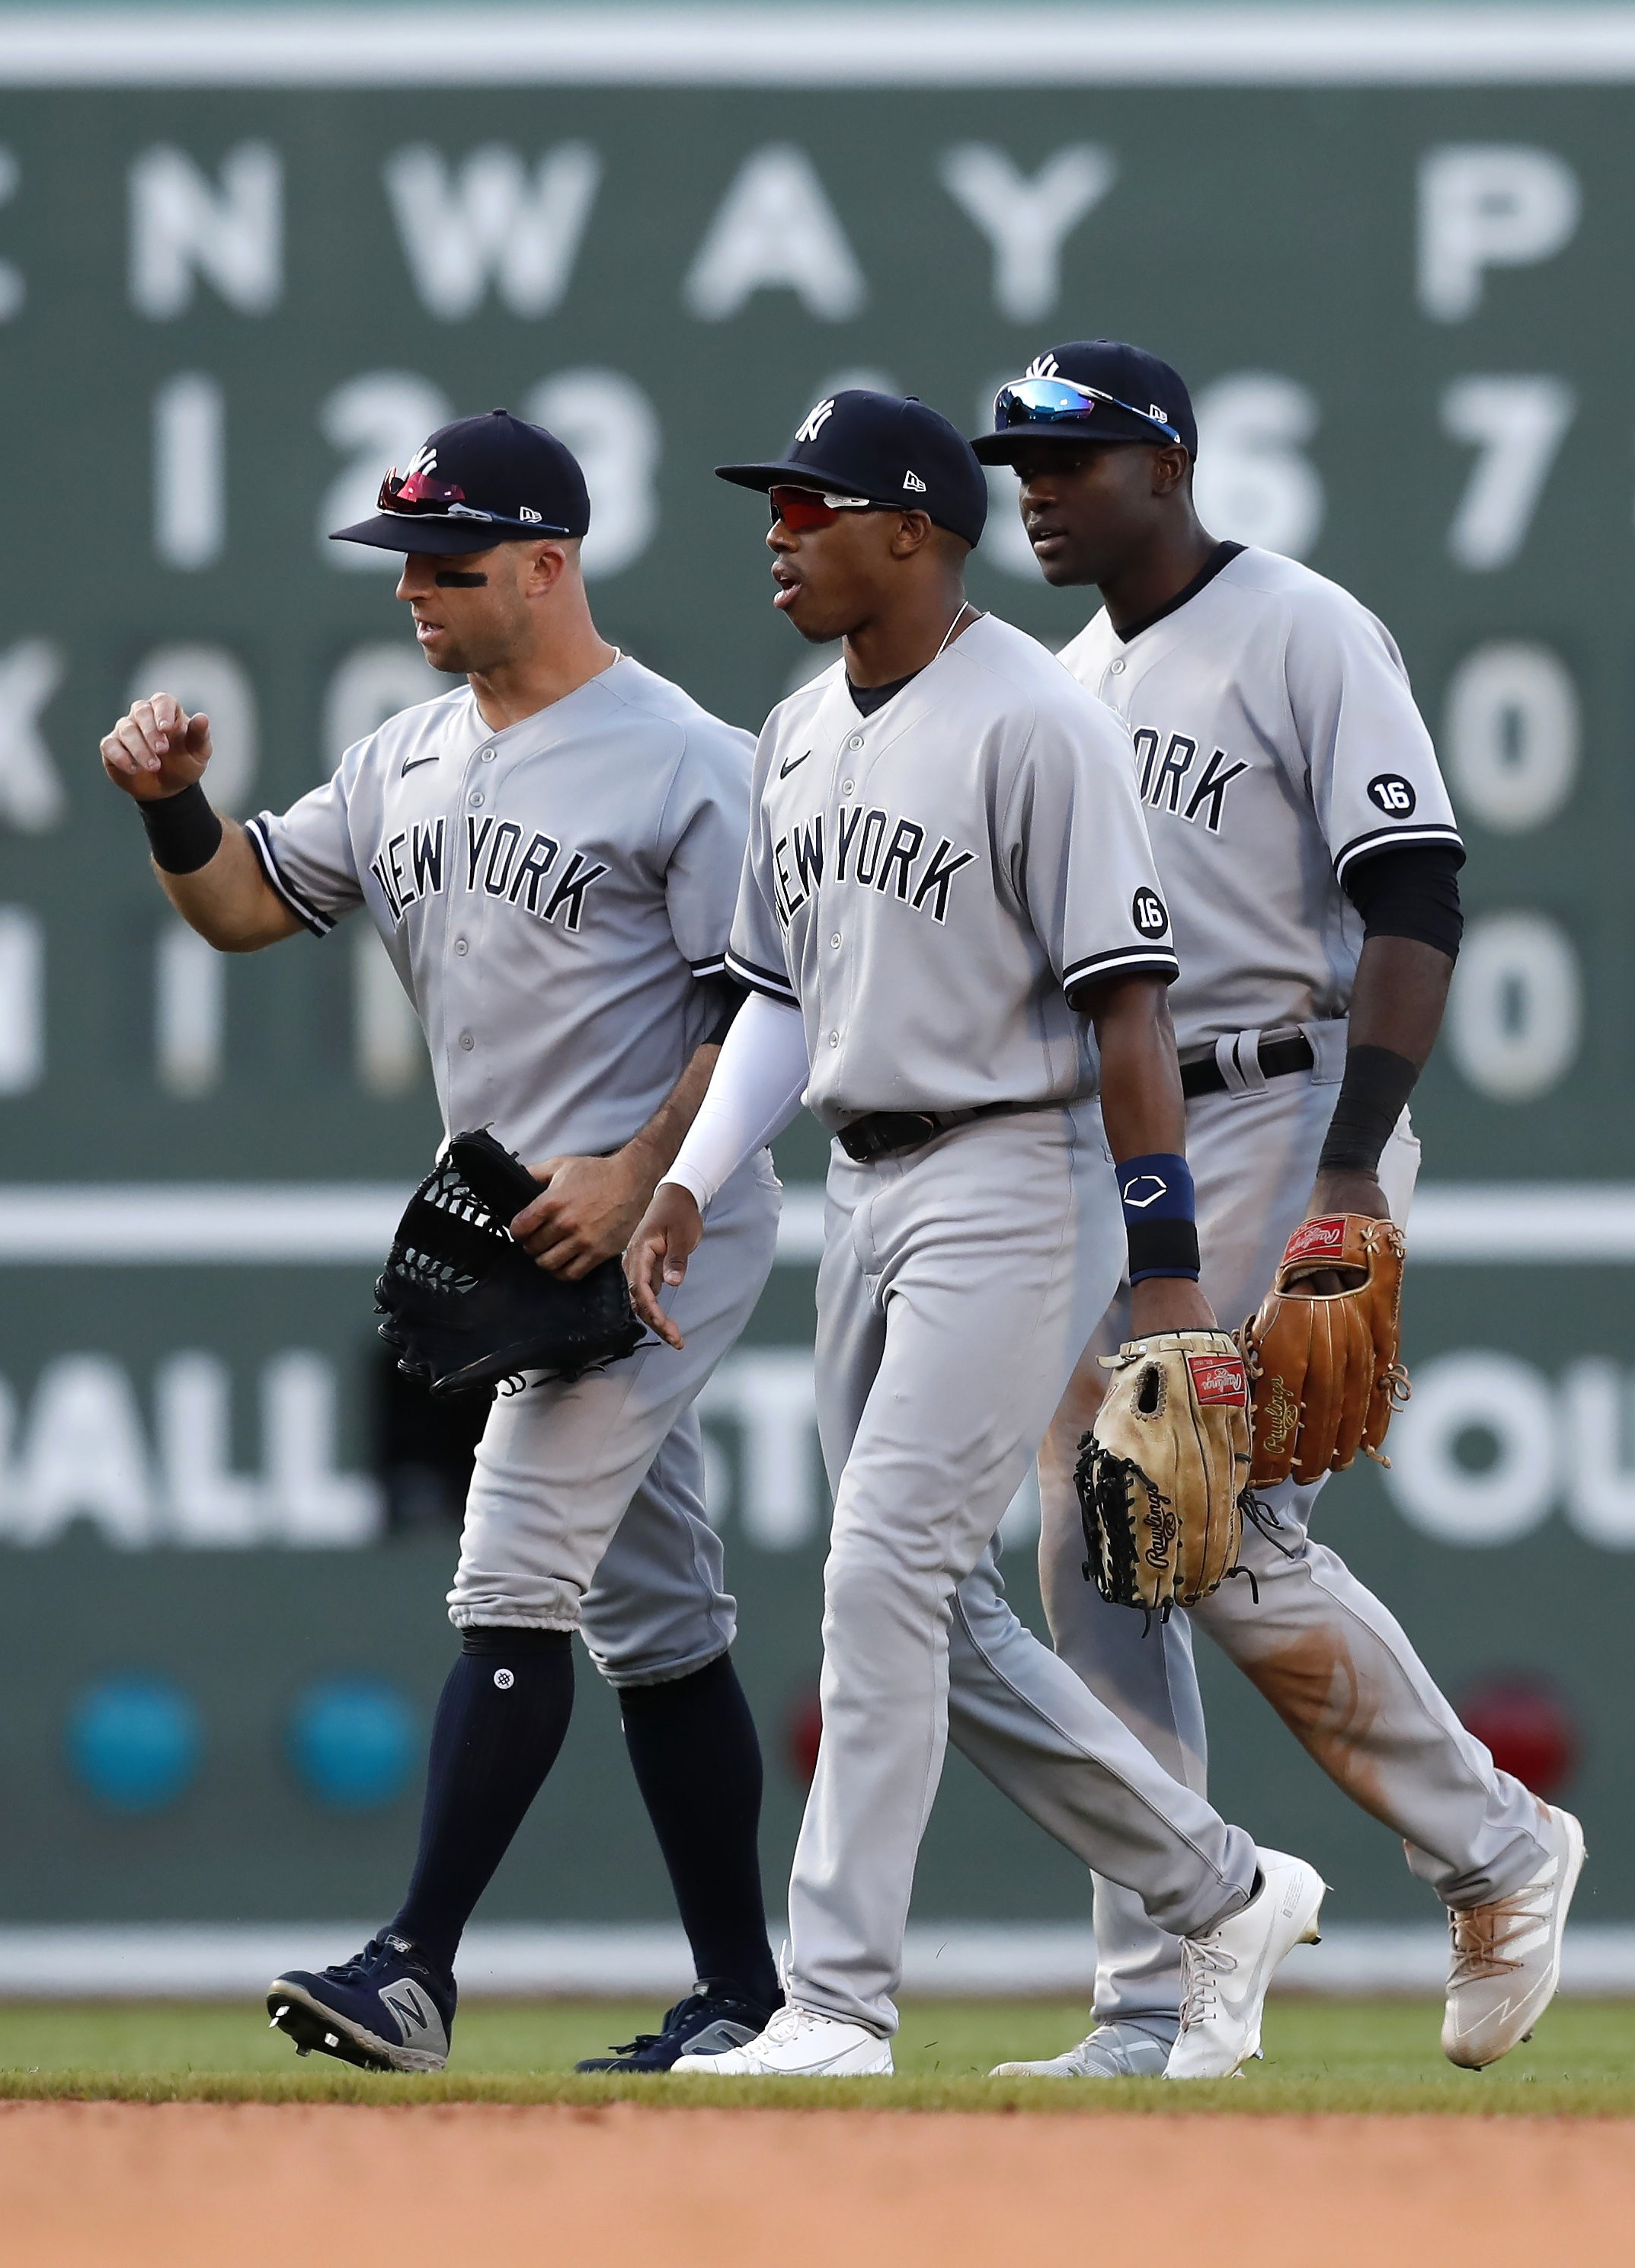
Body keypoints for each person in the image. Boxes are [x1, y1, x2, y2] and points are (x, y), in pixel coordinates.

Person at [625, 389, 1325, 2080]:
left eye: (814, 505)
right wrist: (692, 1174)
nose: (780, 533)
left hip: (1017, 1177)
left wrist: (1164, 1272)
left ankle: (838, 2002)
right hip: (863, 1183)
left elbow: (1130, 1011)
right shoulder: (795, 730)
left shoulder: (1034, 721)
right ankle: (1215, 1886)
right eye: (774, 503)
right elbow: (776, 997)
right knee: (925, 1605)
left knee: (878, 1572)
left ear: (917, 531)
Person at [100, 409, 784, 2075]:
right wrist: (176, 811)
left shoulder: (682, 754)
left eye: (450, 562)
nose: (415, 588)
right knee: (662, 1625)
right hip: (513, 1232)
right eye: (404, 558)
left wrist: (637, 1175)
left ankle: (413, 1967)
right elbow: (249, 906)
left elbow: (763, 996)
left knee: (508, 1576)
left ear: (549, 566)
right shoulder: (404, 754)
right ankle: (745, 2001)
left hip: (660, 1220)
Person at [971, 342, 1586, 2077]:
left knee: (1213, 1518)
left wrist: (1350, 1167)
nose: (1035, 486)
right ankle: (1160, 1990)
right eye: (1019, 458)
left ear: (1167, 466)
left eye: (1070, 458)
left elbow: (1414, 893)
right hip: (1135, 1130)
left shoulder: (1301, 627)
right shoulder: (1066, 677)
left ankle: (1495, 1847)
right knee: (1105, 1551)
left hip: (1295, 1096)